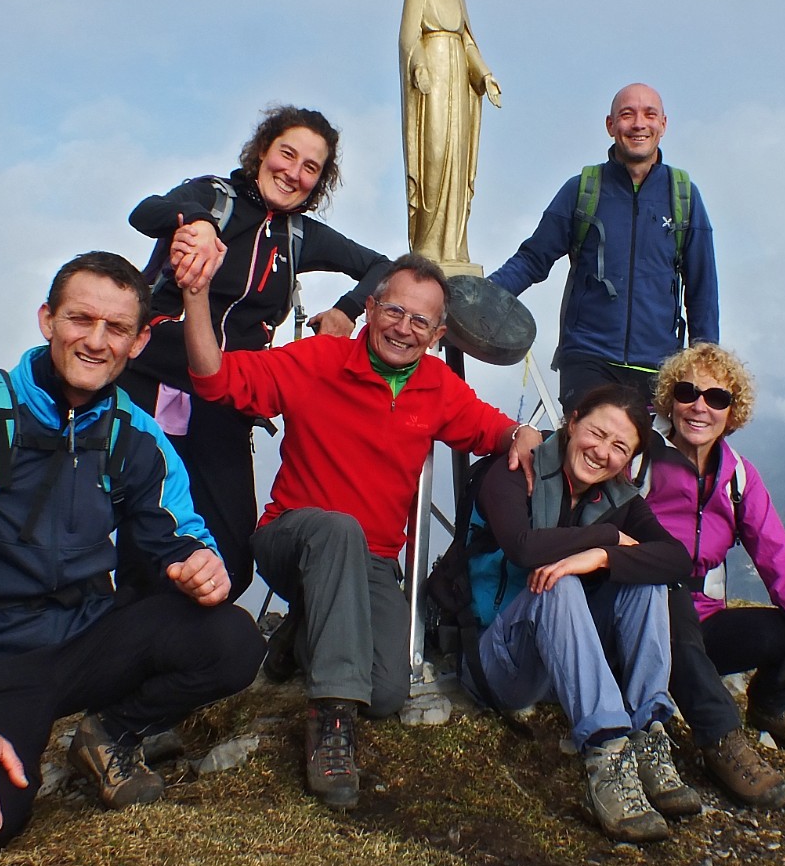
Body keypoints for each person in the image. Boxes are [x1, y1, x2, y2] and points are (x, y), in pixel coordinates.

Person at [0, 252, 265, 854]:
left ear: (140, 340)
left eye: (117, 328)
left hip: (86, 633)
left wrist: (198, 564)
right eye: (81, 319)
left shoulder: (137, 436)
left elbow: (175, 532)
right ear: (47, 319)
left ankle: (110, 734)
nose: (96, 341)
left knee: (233, 641)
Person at [182, 251, 539, 810]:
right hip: (293, 537)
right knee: (339, 531)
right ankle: (330, 723)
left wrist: (523, 433)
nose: (404, 328)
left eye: (421, 321)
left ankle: (305, 633)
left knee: (388, 691)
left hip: (371, 561)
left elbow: (494, 429)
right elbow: (215, 380)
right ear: (369, 308)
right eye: (394, 310)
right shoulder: (318, 359)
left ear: (438, 333)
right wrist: (196, 296)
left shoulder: (437, 386)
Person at [121, 105, 391, 598]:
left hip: (226, 398)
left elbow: (383, 268)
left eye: (311, 167)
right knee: (141, 532)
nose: (293, 172)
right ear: (263, 151)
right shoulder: (213, 198)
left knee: (232, 557)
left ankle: (184, 643)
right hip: (155, 386)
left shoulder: (300, 236)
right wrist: (197, 221)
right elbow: (145, 212)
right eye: (287, 154)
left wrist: (348, 310)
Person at [465, 385, 699, 843]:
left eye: (620, 447)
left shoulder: (620, 497)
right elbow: (522, 547)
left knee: (646, 581)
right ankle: (606, 754)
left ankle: (648, 731)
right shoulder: (515, 471)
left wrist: (604, 559)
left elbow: (676, 561)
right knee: (557, 582)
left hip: (563, 668)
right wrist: (607, 540)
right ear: (572, 422)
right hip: (497, 661)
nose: (603, 453)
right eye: (597, 432)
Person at [643, 344, 785, 761]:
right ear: (669, 400)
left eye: (716, 398)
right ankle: (722, 742)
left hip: (707, 621)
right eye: (687, 392)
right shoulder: (639, 463)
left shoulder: (738, 477)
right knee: (675, 628)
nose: (699, 407)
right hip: (646, 621)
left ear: (732, 413)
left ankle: (770, 707)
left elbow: (775, 550)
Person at [487, 83, 719, 412]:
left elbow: (702, 290)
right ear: (611, 126)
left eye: (649, 115)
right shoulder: (581, 190)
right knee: (591, 453)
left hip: (660, 366)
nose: (639, 123)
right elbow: (531, 261)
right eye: (627, 115)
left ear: (663, 125)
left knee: (649, 463)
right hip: (588, 358)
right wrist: (480, 298)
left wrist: (707, 368)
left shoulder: (684, 197)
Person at [400, 0, 501, 272]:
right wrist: (419, 66)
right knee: (435, 155)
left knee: (457, 160)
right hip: (433, 75)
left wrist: (485, 75)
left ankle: (454, 246)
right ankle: (428, 245)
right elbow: (409, 35)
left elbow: (467, 39)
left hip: (458, 77)